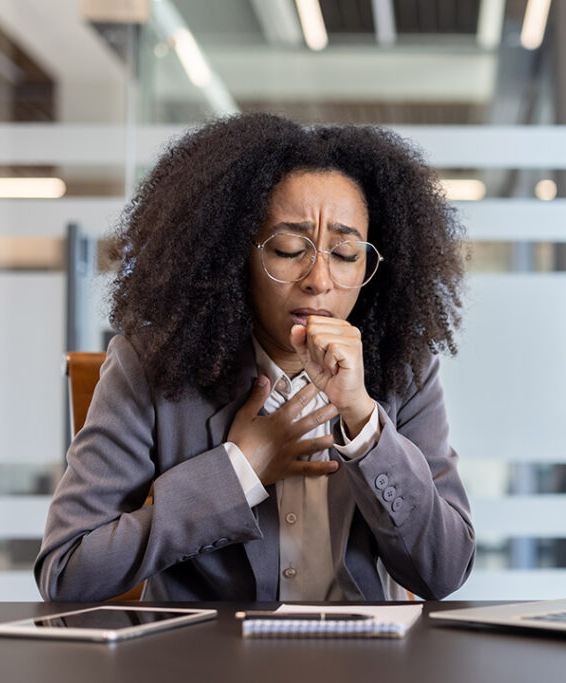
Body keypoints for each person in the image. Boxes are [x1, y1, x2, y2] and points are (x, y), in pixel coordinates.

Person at [34, 113, 475, 602]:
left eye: (346, 254)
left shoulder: (403, 372)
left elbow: (445, 571)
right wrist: (241, 470)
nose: (319, 280)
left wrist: (364, 422)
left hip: (360, 661)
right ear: (231, 253)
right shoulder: (150, 366)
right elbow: (68, 572)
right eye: (289, 249)